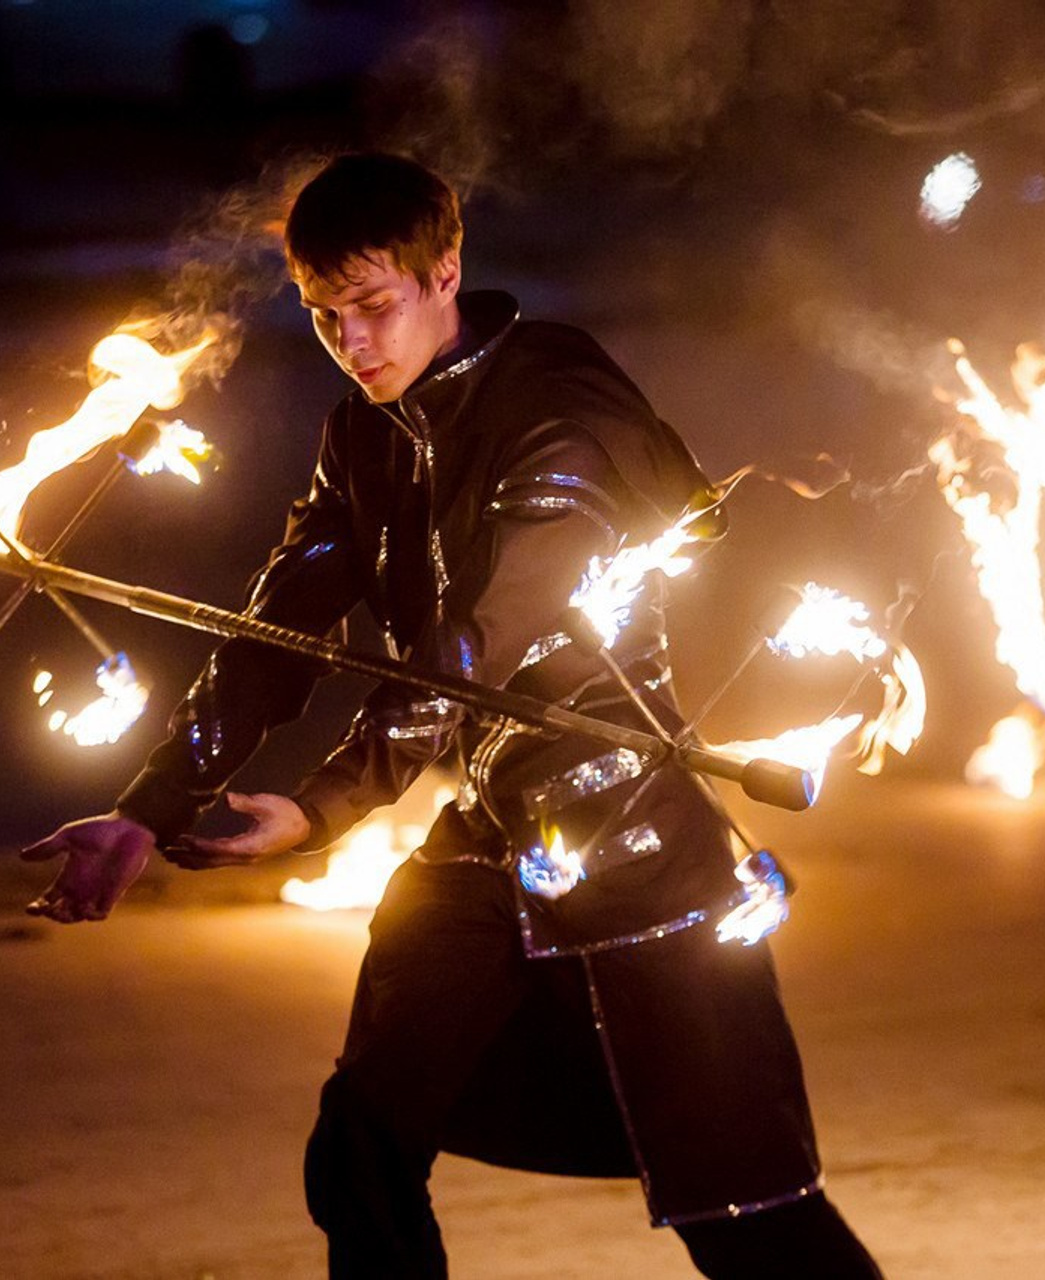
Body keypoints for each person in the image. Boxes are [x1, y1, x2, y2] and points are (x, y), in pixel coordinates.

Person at [22, 152, 884, 1278]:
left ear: (447, 273)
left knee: (750, 1218)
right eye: (325, 317)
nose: (354, 343)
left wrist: (323, 805)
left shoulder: (560, 412)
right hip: (484, 847)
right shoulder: (362, 436)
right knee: (359, 1150)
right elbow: (274, 635)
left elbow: (470, 659)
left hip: (635, 857)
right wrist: (146, 807)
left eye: (373, 307)